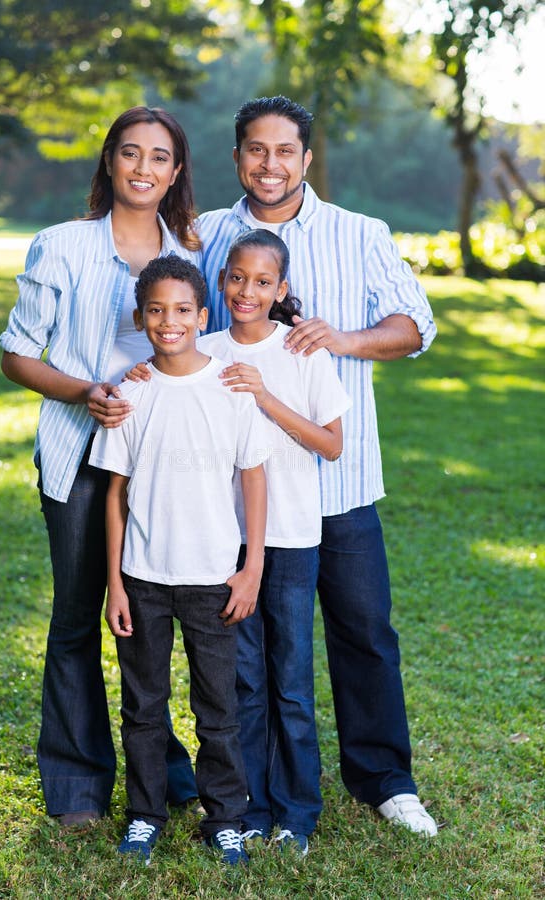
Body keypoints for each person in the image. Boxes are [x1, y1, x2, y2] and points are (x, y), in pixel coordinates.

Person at [197, 96, 439, 837]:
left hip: (340, 477)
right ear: (238, 157)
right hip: (243, 496)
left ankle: (385, 781)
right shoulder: (206, 233)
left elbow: (414, 327)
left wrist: (342, 339)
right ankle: (251, 791)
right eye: (255, 150)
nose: (269, 164)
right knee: (251, 654)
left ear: (306, 159)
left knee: (364, 630)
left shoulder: (359, 233)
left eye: (284, 151)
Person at [0, 106, 201, 825]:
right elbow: (17, 355)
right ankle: (79, 784)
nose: (143, 168)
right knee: (81, 618)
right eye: (130, 154)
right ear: (109, 162)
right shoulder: (61, 248)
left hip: (172, 467)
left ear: (175, 172)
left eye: (158, 157)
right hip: (81, 457)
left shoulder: (195, 253)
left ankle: (169, 768)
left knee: (155, 620)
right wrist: (87, 391)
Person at [89, 255, 268, 866]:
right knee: (143, 706)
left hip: (213, 579)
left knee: (218, 708)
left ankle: (226, 818)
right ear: (141, 318)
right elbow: (115, 497)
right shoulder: (132, 391)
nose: (170, 322)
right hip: (143, 579)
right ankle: (145, 816)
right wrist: (114, 584)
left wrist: (253, 567)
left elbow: (254, 478)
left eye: (183, 310)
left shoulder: (230, 387)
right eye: (157, 311)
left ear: (202, 315)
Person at [197, 229, 351, 856]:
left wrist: (264, 395)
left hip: (290, 536)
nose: (247, 291)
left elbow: (332, 444)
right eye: (237, 278)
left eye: (263, 282)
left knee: (289, 679)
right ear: (222, 280)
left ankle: (297, 813)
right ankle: (251, 807)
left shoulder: (302, 352)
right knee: (243, 682)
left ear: (280, 289)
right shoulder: (202, 349)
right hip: (223, 541)